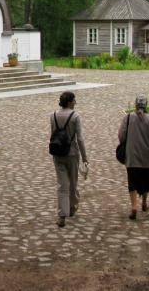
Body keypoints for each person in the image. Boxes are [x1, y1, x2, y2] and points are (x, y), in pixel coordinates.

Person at [118, 94, 149, 220]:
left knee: (132, 181)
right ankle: (144, 203)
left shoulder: (128, 118)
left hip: (131, 155)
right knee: (145, 179)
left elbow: (121, 135)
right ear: (146, 105)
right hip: (145, 156)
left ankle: (134, 206)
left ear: (135, 104)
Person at [50, 91, 89, 227]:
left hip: (58, 154)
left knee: (62, 185)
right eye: (74, 100)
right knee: (72, 182)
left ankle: (62, 215)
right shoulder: (75, 116)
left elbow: (53, 134)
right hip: (72, 154)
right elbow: (80, 138)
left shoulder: (53, 115)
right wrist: (85, 157)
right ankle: (72, 208)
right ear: (69, 102)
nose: (75, 103)